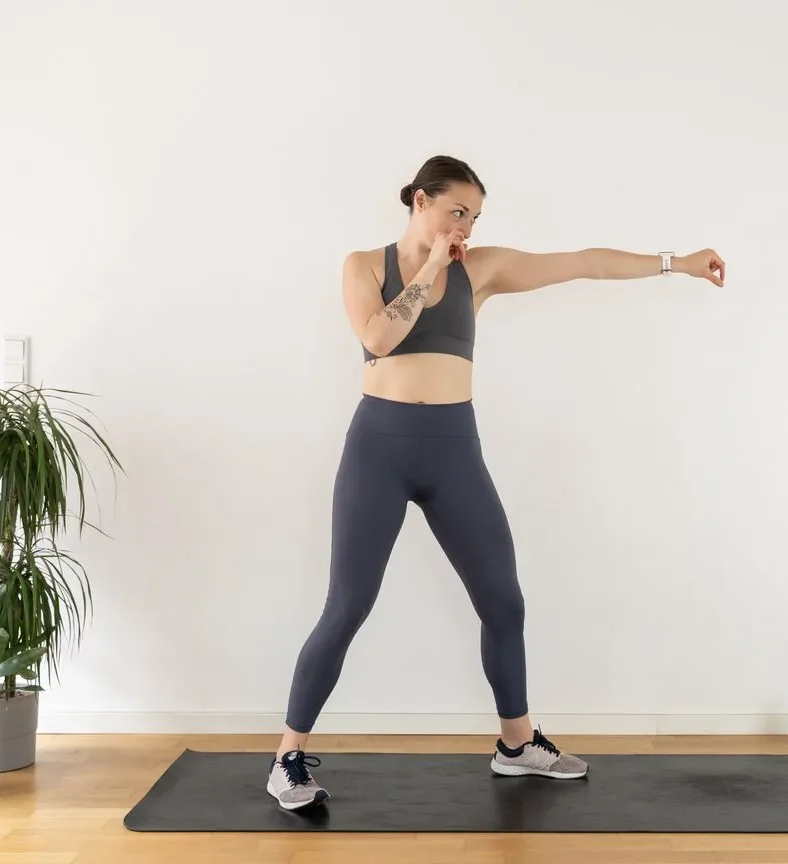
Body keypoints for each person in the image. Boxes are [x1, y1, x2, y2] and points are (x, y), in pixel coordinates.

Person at [266, 155, 727, 810]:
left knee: (503, 601)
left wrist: (674, 261)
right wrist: (428, 269)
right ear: (420, 202)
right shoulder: (363, 266)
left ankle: (517, 745)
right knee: (347, 606)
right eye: (458, 212)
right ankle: (287, 759)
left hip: (455, 448)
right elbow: (378, 337)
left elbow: (582, 261)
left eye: (475, 217)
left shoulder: (480, 271)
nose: (467, 228)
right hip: (379, 449)